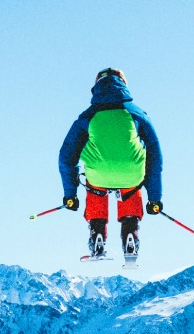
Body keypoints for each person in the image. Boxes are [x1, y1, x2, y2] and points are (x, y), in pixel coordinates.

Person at [59, 68, 163, 260]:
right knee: (130, 183)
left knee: (94, 182)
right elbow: (155, 156)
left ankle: (97, 235)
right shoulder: (137, 114)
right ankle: (130, 233)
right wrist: (154, 198)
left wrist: (70, 195)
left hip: (98, 174)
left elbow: (66, 157)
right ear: (124, 85)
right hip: (132, 174)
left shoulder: (87, 116)